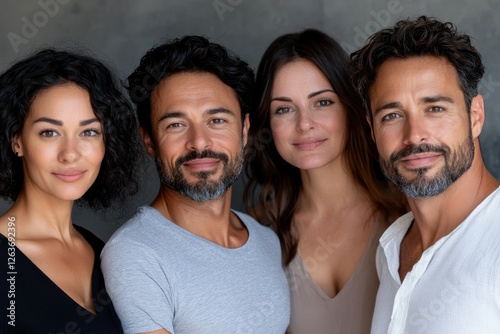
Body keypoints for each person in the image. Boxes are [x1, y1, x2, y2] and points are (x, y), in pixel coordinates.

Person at [100, 35, 290, 334]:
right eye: (176, 124)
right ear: (148, 139)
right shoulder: (135, 253)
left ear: (244, 130)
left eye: (216, 120)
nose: (199, 142)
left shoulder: (267, 240)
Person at [244, 29, 406, 333]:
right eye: (284, 109)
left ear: (351, 107)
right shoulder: (258, 232)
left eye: (322, 102)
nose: (304, 124)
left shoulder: (407, 215)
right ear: (267, 123)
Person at [350, 16, 500, 333]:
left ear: (475, 116)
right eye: (392, 115)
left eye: (435, 108)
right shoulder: (390, 246)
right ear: (372, 131)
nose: (414, 135)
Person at [0, 49, 143, 333]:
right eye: (49, 132)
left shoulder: (104, 253)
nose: (70, 154)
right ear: (17, 141)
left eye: (89, 132)